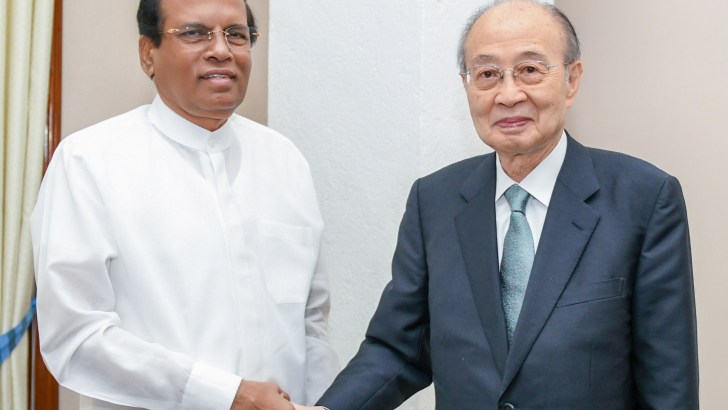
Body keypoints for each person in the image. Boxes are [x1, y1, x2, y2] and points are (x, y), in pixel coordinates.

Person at [315, 1, 699, 409]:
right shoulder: (434, 201)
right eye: (487, 75)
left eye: (530, 70)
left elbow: (668, 382)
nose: (508, 94)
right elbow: (397, 348)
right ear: (466, 85)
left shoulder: (644, 199)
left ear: (572, 80)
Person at [31, 0, 338, 409]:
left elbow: (310, 325)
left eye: (236, 34)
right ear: (147, 54)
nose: (221, 50)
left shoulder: (286, 161)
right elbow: (77, 339)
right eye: (194, 33)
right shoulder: (89, 162)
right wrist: (226, 396)